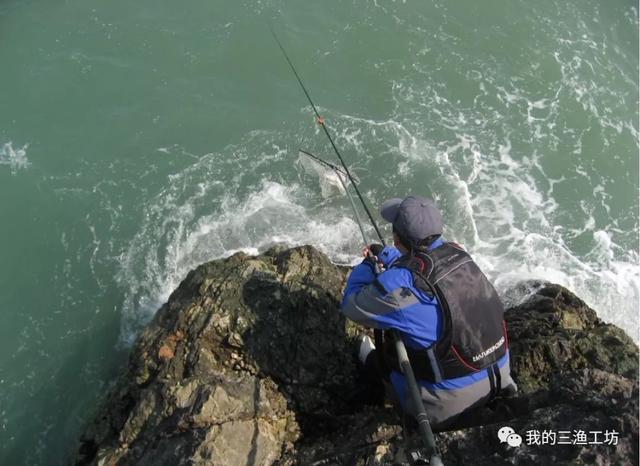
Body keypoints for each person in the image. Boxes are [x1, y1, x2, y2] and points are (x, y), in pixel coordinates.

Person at [341, 195, 517, 431]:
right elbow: (425, 270)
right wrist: (389, 257)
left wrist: (366, 266)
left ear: (396, 237)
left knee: (387, 359)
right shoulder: (460, 254)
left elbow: (352, 305)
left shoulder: (400, 283)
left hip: (449, 403)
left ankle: (372, 363)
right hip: (501, 375)